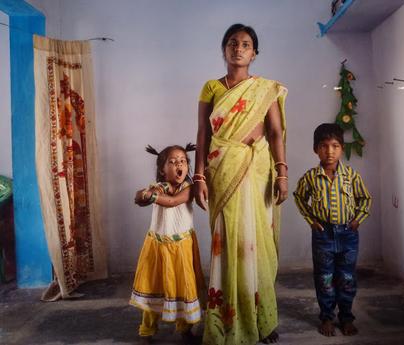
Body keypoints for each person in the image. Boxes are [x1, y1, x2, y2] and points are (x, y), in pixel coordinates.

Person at [194, 23, 288, 345]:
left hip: (257, 170)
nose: (238, 48)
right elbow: (203, 135)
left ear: (254, 53)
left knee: (257, 243)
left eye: (245, 44)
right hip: (222, 170)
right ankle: (226, 320)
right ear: (224, 49)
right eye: (232, 43)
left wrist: (283, 173)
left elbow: (275, 133)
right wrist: (199, 176)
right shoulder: (211, 87)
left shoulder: (265, 89)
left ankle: (263, 320)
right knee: (227, 245)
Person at [293, 123, 372, 337]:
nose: (330, 151)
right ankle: (327, 317)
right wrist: (311, 220)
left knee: (346, 277)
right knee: (325, 278)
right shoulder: (311, 177)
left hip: (348, 234)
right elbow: (299, 197)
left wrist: (358, 220)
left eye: (335, 146)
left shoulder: (351, 176)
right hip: (323, 236)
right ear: (315, 149)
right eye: (324, 146)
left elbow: (365, 199)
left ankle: (346, 317)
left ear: (342, 148)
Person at [130, 143, 205, 344]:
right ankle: (146, 330)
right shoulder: (159, 187)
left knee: (184, 287)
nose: (178, 164)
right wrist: (142, 195)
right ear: (163, 170)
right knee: (153, 288)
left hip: (182, 248)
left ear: (187, 166)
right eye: (172, 162)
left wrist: (151, 196)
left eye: (182, 161)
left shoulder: (190, 189)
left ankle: (185, 328)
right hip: (157, 247)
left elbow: (172, 201)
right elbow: (141, 197)